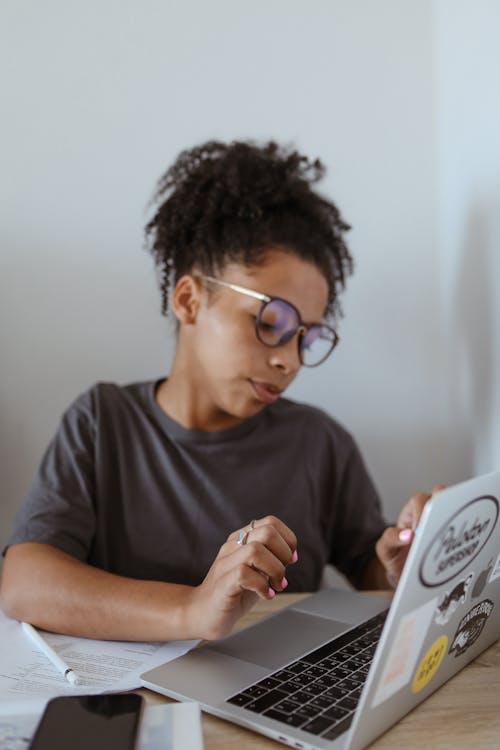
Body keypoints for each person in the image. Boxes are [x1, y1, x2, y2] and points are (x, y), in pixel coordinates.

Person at [0, 140, 437, 643]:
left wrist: (400, 565)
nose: (289, 360)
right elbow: (24, 579)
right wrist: (191, 610)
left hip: (278, 708)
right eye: (272, 322)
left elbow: (367, 566)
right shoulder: (103, 423)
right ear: (188, 300)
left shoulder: (319, 442)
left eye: (306, 337)